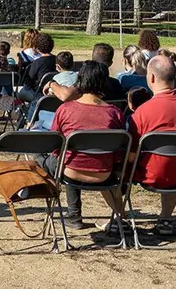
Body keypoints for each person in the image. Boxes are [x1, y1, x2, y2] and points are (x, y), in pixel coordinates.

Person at [36, 61, 125, 230]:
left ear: (80, 80)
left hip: (70, 171)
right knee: (71, 156)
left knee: (45, 157)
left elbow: (55, 145)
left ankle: (73, 215)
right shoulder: (114, 113)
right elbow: (119, 149)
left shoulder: (66, 109)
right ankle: (119, 215)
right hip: (104, 173)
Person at [128, 55, 176, 236]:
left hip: (151, 175)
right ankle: (166, 217)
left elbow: (131, 153)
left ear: (151, 78)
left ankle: (119, 216)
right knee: (173, 161)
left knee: (122, 163)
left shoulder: (143, 111)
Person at [46, 43, 126, 104]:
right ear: (111, 63)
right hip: (111, 123)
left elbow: (65, 96)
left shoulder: (83, 83)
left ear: (92, 59)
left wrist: (51, 84)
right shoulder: (116, 85)